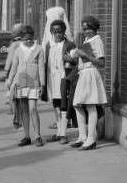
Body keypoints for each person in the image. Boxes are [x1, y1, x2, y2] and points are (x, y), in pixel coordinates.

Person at [70, 15, 108, 150]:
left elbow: (102, 62)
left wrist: (85, 55)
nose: (87, 31)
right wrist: (75, 55)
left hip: (91, 73)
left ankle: (91, 138)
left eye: (89, 28)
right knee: (77, 105)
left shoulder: (97, 40)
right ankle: (82, 136)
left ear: (95, 28)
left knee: (90, 106)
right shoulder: (87, 39)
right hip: (83, 73)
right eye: (85, 28)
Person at [6, 24, 45, 147]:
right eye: (26, 39)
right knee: (24, 110)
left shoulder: (39, 49)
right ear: (22, 38)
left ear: (33, 37)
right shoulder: (18, 50)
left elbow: (41, 68)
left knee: (33, 108)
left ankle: (38, 135)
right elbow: (14, 67)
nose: (28, 41)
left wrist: (42, 84)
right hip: (21, 81)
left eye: (30, 39)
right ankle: (26, 136)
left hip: (34, 82)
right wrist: (10, 80)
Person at [41, 18, 75, 143]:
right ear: (51, 32)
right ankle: (59, 131)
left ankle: (63, 134)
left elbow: (75, 61)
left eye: (60, 31)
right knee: (55, 104)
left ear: (64, 31)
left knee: (63, 105)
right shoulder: (49, 44)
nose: (57, 34)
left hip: (63, 78)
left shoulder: (69, 44)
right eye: (54, 31)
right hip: (52, 78)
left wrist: (70, 59)